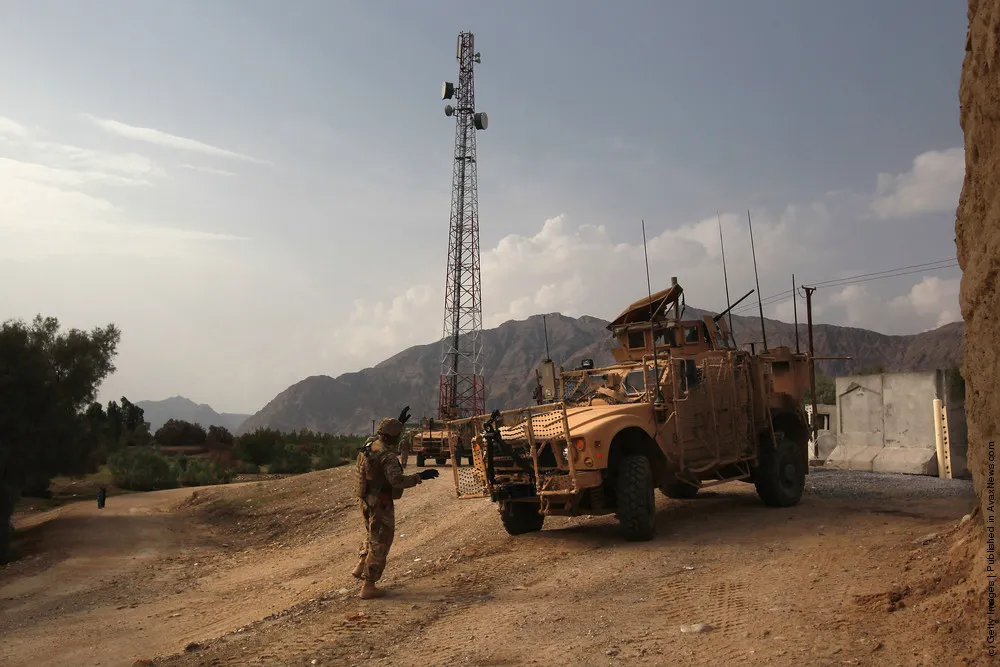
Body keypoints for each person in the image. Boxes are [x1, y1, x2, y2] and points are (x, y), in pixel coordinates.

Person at [353, 406, 438, 599]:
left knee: (371, 533)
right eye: (397, 435)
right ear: (392, 437)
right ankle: (369, 585)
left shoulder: (370, 446)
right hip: (380, 502)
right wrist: (419, 476)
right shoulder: (388, 456)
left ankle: (361, 565)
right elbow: (397, 481)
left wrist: (397, 424)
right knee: (381, 541)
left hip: (366, 499)